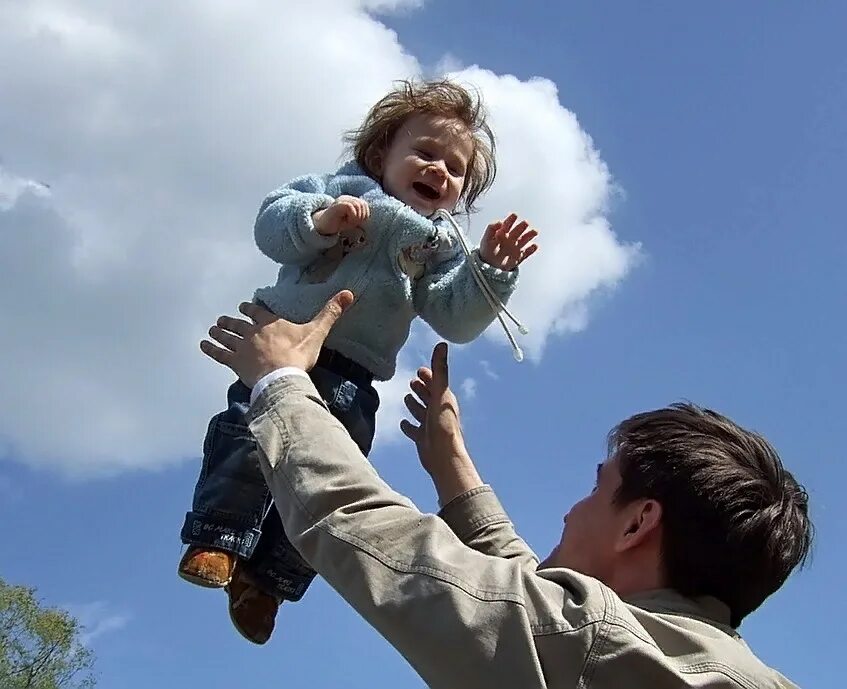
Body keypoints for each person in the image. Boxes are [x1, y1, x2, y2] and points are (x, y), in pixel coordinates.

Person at [198, 291, 812, 688]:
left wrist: (277, 379)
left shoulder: (594, 650)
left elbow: (365, 526)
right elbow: (531, 609)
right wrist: (450, 463)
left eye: (597, 491)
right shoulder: (712, 669)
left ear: (637, 524)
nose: (572, 511)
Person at [178, 78, 540, 644]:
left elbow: (454, 318)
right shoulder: (341, 191)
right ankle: (217, 537)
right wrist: (323, 221)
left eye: (455, 167)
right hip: (284, 345)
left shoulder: (436, 246)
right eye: (425, 153)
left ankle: (268, 582)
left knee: (334, 477)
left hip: (355, 375)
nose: (440, 170)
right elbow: (273, 227)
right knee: (250, 441)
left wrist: (491, 268)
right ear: (379, 156)